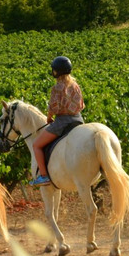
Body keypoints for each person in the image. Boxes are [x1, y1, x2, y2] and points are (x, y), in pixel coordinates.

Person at [29, 56, 85, 187]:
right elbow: (81, 105)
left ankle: (43, 176)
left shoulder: (57, 87)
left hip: (62, 122)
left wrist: (49, 118)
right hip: (78, 120)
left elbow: (53, 108)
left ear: (57, 72)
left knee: (36, 145)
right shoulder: (76, 86)